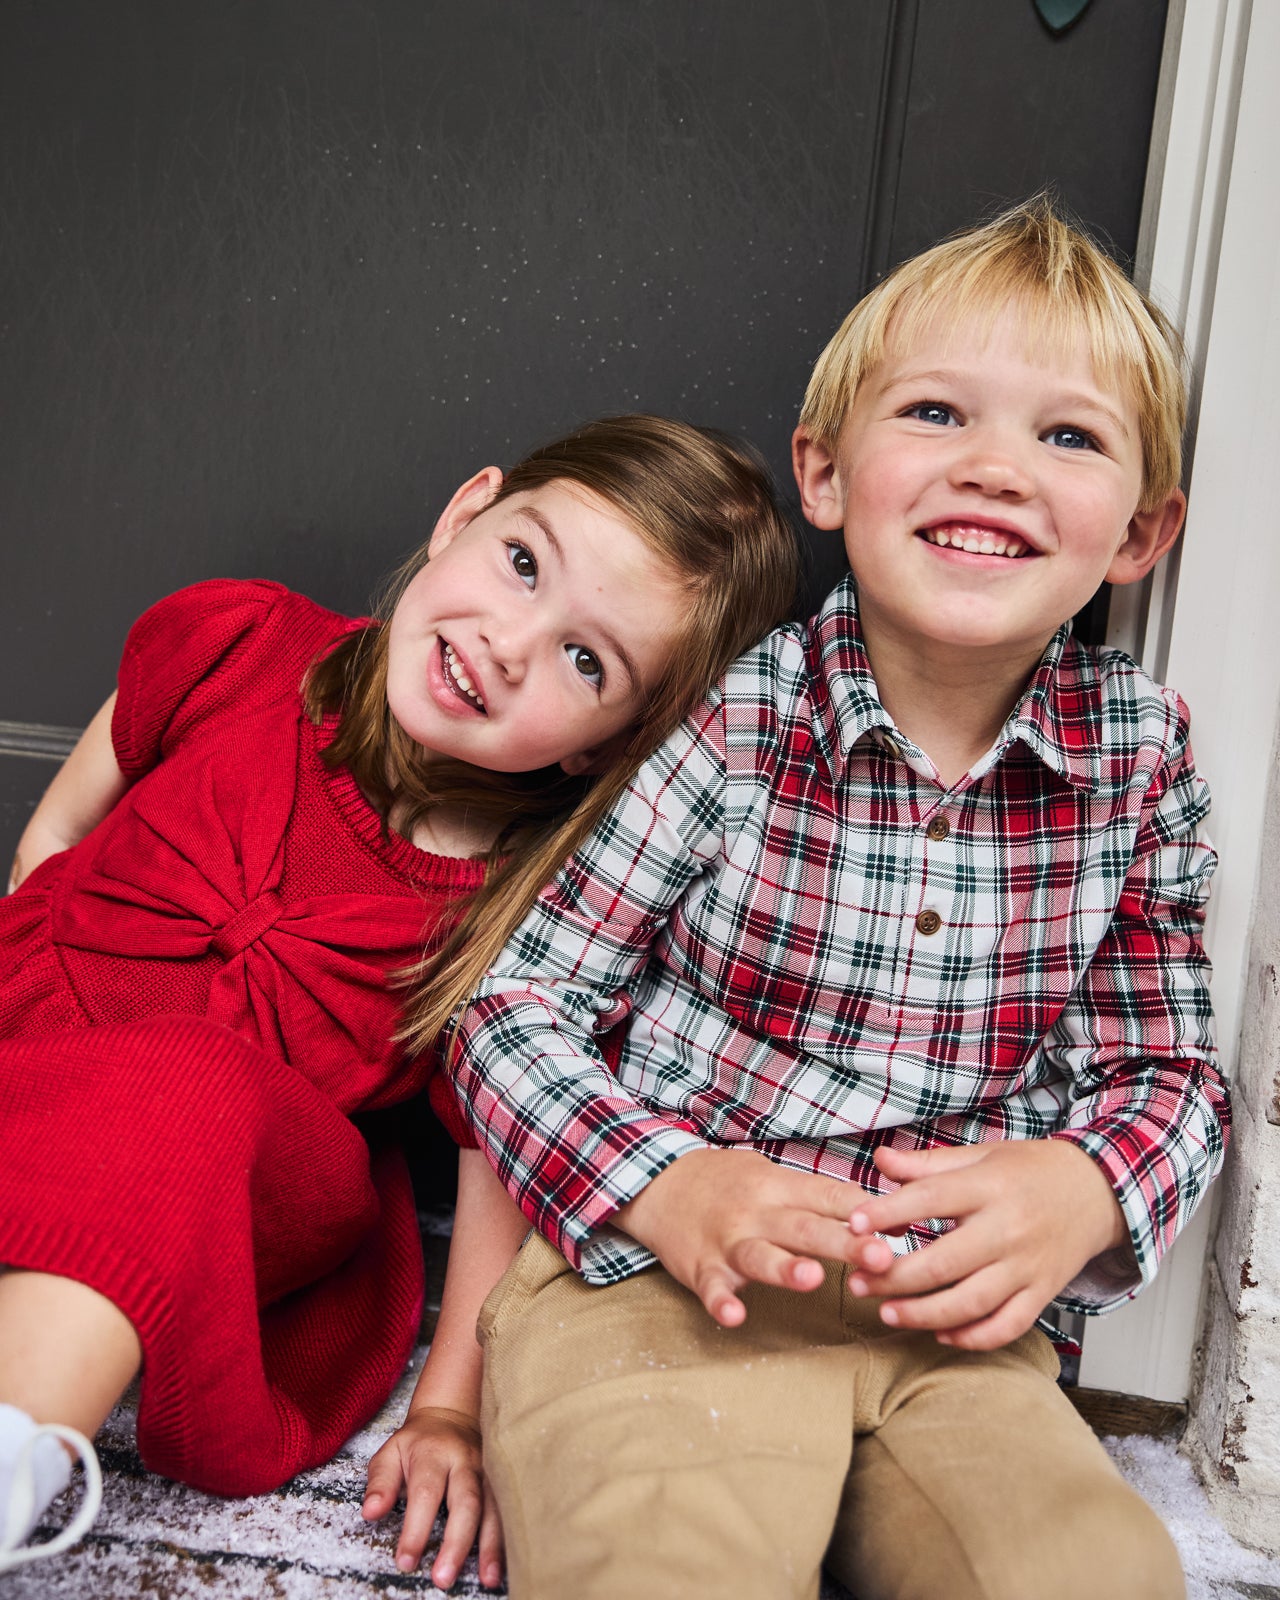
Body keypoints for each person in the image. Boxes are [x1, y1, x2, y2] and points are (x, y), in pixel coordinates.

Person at [441, 201, 1231, 1600]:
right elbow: (514, 1008)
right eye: (935, 412)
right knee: (666, 1563)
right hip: (665, 1289)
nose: (994, 470)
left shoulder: (1140, 758)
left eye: (1068, 437)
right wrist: (667, 1185)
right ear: (824, 471)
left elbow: (1170, 1073)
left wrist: (1085, 1185)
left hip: (955, 1338)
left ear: (1141, 532)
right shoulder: (741, 721)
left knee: (1091, 1573)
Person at [0, 413, 800, 1584]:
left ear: (606, 745)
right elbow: (60, 836)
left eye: (587, 661)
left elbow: (498, 1154)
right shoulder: (246, 642)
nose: (509, 641)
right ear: (464, 510)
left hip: (231, 1175)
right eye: (522, 562)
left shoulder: (527, 910)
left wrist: (451, 1411)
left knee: (185, 1089)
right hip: (37, 1058)